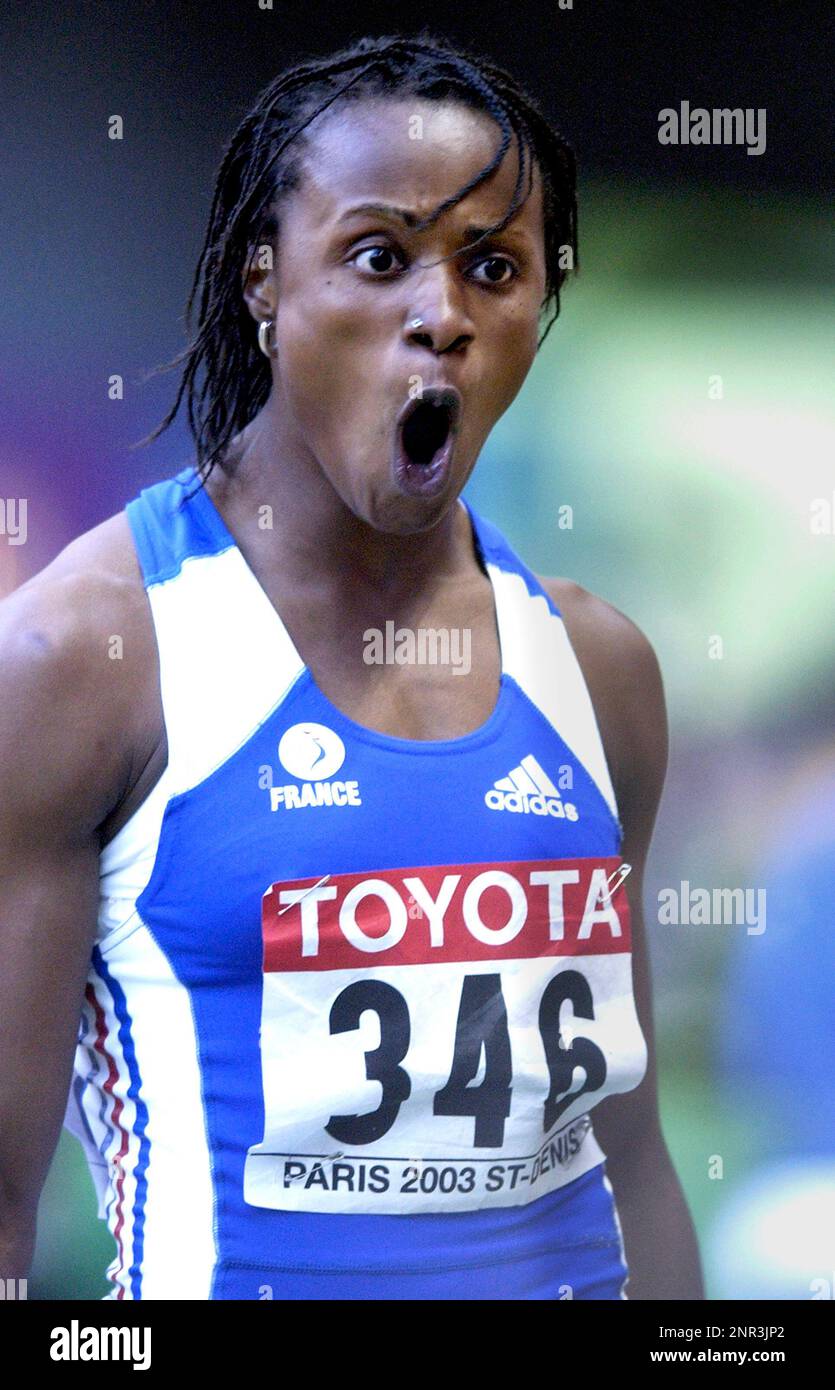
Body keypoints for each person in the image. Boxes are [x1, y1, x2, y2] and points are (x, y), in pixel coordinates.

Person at [0, 33, 703, 1300]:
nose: (440, 315)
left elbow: (632, 1161)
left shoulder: (597, 671)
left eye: (494, 268)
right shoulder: (83, 662)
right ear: (263, 283)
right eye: (379, 258)